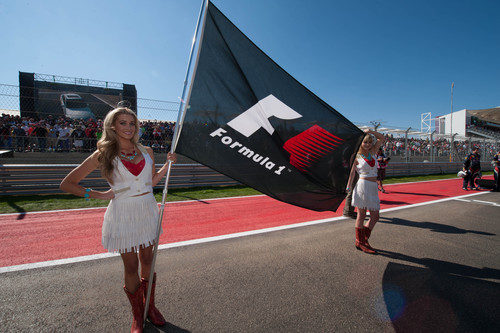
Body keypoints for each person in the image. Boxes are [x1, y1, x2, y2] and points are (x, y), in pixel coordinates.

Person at [60, 106, 177, 332]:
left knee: (148, 260)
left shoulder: (147, 150)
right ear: (112, 126)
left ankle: (150, 309)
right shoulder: (104, 153)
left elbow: (151, 183)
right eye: (123, 123)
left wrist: (166, 166)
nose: (128, 127)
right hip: (122, 212)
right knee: (131, 265)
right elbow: (67, 183)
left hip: (147, 208)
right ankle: (137, 315)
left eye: (132, 123)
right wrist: (98, 194)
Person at [346, 129, 385, 254]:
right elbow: (352, 173)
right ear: (360, 143)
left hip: (373, 187)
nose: (368, 144)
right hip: (362, 185)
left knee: (375, 216)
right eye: (365, 142)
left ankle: (362, 239)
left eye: (369, 142)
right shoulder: (356, 156)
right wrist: (348, 187)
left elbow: (382, 138)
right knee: (361, 215)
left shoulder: (373, 152)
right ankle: (361, 241)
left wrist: (370, 131)